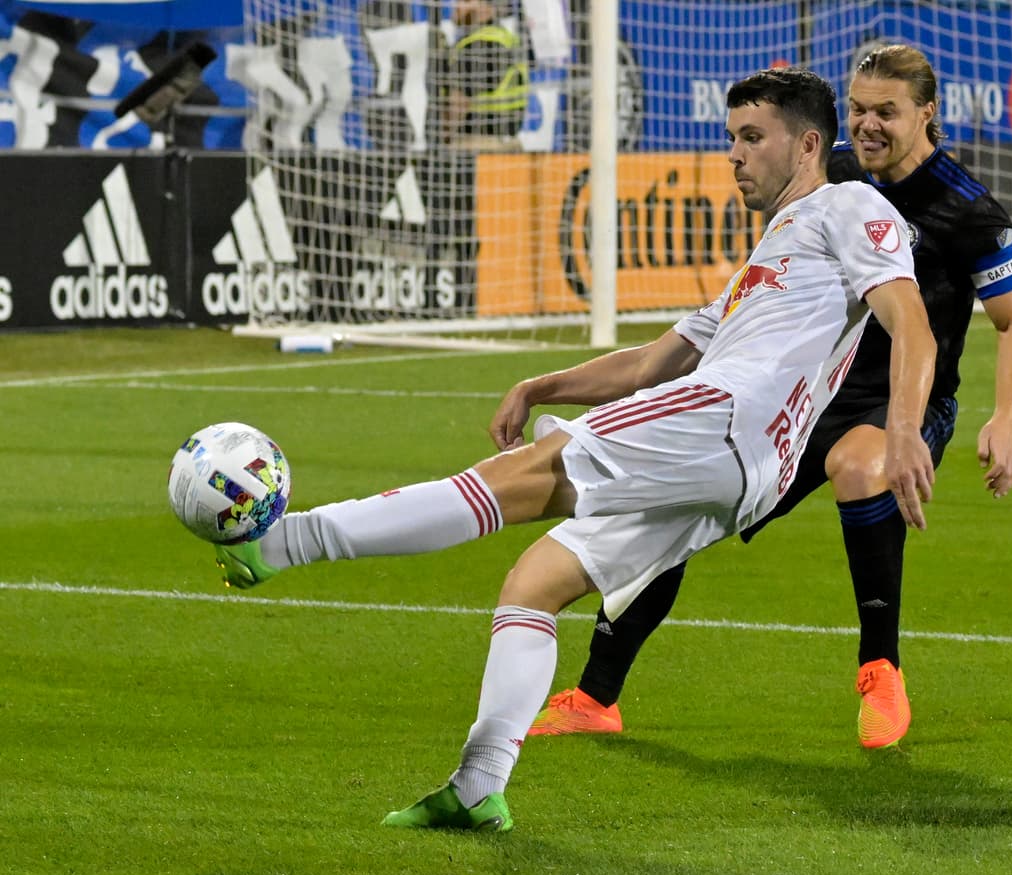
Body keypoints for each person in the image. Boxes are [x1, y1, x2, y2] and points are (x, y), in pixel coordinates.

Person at [210, 67, 938, 831]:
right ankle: (477, 784)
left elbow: (911, 324)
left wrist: (903, 429)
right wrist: (541, 384)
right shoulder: (763, 262)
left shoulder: (849, 204)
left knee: (514, 479)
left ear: (809, 144)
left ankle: (282, 543)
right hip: (736, 461)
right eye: (731, 139)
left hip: (727, 420)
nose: (735, 156)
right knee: (535, 583)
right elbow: (655, 361)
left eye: (753, 138)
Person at [526, 45, 1012, 748]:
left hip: (900, 406)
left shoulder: (967, 210)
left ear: (927, 113)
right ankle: (596, 694)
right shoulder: (833, 180)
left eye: (886, 111)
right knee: (680, 493)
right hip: (801, 399)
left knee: (862, 467)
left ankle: (881, 669)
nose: (867, 124)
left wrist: (1000, 420)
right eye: (857, 109)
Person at [443, 0, 529, 152]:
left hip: (479, 145)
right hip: (507, 141)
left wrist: (440, 139)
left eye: (466, 1)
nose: (457, 6)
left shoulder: (479, 45)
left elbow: (458, 103)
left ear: (485, 6)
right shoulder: (503, 36)